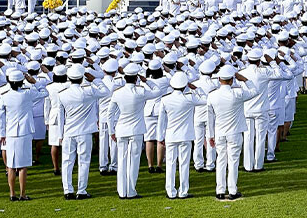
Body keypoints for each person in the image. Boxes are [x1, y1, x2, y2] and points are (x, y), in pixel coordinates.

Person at [107, 63, 163, 199]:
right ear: (136, 78)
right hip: (136, 130)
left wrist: (111, 131)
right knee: (134, 161)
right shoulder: (140, 91)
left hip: (121, 129)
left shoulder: (117, 93)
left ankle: (122, 191)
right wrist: (147, 81)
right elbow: (158, 91)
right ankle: (131, 191)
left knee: (122, 160)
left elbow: (110, 114)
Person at [58, 64, 110, 200]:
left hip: (68, 132)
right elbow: (106, 91)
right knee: (84, 161)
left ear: (69, 78)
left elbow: (60, 116)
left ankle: (67, 190)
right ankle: (81, 190)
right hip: (84, 132)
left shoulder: (63, 93)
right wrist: (95, 80)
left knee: (67, 162)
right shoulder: (89, 91)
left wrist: (60, 135)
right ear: (82, 78)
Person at [0, 70, 48, 201]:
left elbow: (0, 116)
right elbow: (45, 93)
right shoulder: (27, 93)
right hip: (24, 131)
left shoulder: (5, 95)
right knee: (22, 165)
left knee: (11, 165)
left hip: (10, 132)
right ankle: (22, 194)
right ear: (21, 82)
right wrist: (34, 82)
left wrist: (2, 133)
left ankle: (12, 194)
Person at [207, 65, 256, 200]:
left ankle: (220, 190)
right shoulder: (237, 93)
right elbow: (254, 91)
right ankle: (232, 190)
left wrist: (210, 135)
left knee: (221, 161)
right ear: (231, 80)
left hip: (219, 132)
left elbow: (209, 118)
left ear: (219, 79)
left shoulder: (212, 95)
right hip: (234, 132)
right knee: (233, 161)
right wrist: (244, 79)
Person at [157, 71, 207, 199]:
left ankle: (170, 191)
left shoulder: (165, 99)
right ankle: (183, 191)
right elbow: (205, 99)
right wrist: (196, 88)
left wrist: (160, 137)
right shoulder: (190, 97)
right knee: (184, 164)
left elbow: (161, 121)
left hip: (171, 136)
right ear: (185, 85)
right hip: (185, 136)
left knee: (170, 164)